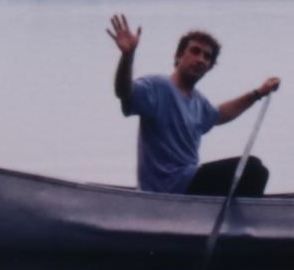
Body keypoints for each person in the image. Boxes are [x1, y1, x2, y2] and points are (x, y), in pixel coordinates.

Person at [107, 14, 279, 196]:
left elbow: (220, 114)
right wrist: (128, 56)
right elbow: (124, 92)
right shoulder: (157, 86)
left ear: (209, 67)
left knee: (257, 168)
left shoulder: (198, 101)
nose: (201, 59)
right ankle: (244, 220)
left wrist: (258, 93)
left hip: (188, 182)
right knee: (253, 169)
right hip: (166, 187)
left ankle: (236, 217)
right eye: (195, 51)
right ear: (179, 56)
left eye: (207, 57)